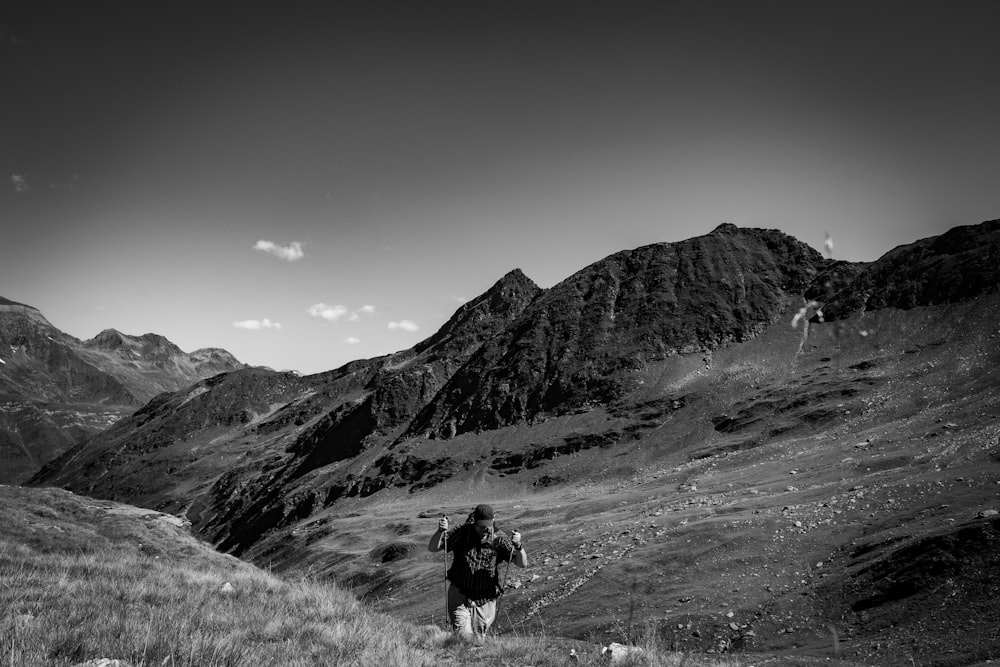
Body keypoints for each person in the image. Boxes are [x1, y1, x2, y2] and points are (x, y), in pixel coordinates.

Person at [428, 503, 528, 640]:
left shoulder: (500, 539)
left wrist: (518, 546)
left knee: (478, 639)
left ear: (493, 520)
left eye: (488, 526)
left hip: (485, 598)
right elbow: (434, 547)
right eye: (480, 527)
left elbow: (522, 563)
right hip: (460, 594)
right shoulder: (462, 532)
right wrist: (440, 531)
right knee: (464, 636)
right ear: (474, 522)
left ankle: (465, 654)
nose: (485, 530)